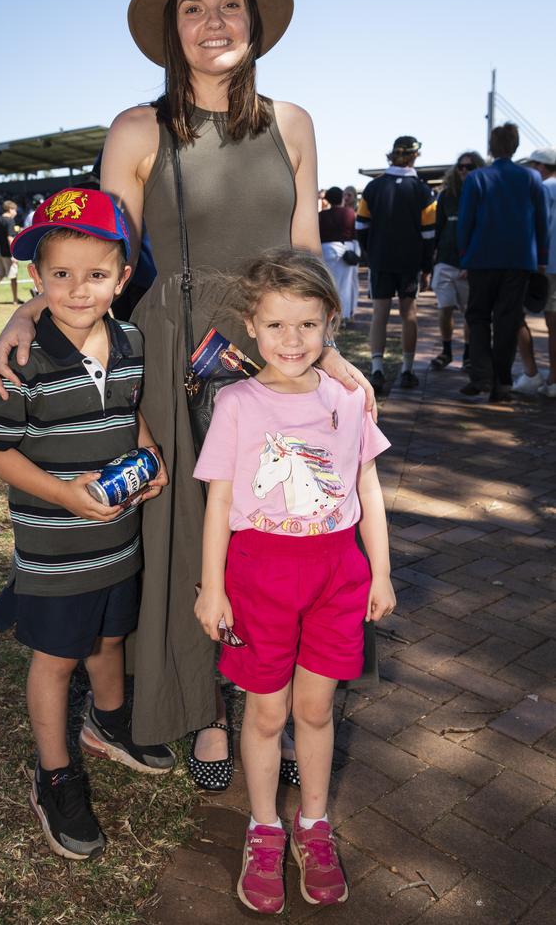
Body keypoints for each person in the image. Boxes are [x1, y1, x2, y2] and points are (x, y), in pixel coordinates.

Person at [0, 0, 374, 790]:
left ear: (255, 20)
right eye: (192, 8)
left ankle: (270, 677)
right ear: (171, 29)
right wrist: (26, 310)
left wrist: (330, 353)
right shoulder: (136, 128)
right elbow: (97, 250)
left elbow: (304, 248)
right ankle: (201, 715)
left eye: (229, 3)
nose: (213, 22)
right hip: (179, 354)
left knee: (277, 521)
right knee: (192, 527)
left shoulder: (294, 124)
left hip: (279, 349)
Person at [0, 190, 171, 861]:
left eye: (95, 274)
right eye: (60, 273)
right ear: (36, 279)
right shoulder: (21, 360)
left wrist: (149, 453)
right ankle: (54, 774)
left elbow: (128, 406)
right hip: (55, 549)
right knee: (56, 660)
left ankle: (108, 726)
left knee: (111, 638)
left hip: (117, 540)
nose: (77, 289)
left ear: (121, 278)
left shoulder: (133, 342)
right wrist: (62, 492)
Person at [194, 251, 394, 913]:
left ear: (331, 322)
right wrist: (211, 586)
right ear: (251, 326)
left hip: (338, 572)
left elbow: (367, 484)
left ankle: (313, 824)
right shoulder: (236, 402)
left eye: (308, 324)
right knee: (267, 710)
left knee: (314, 709)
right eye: (276, 325)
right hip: (259, 575)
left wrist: (381, 571)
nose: (292, 340)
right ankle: (263, 828)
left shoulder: (348, 397)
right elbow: (220, 502)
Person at [458, 123, 548, 402]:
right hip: (519, 260)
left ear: (491, 147)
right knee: (508, 320)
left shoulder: (477, 178)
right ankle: (502, 383)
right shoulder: (532, 178)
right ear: (516, 146)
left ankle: (481, 376)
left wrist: (464, 257)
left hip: (482, 259)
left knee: (478, 316)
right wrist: (541, 259)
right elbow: (541, 222)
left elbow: (465, 223)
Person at [356, 136, 436, 394]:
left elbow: (361, 227)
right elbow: (429, 235)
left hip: (381, 257)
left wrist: (371, 252)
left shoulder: (374, 187)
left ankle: (377, 368)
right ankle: (407, 370)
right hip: (410, 260)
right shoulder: (424, 191)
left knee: (380, 313)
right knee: (408, 313)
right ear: (415, 157)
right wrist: (426, 266)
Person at [430, 152, 485, 371]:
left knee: (469, 312)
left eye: (469, 167)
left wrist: (472, 262)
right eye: (461, 167)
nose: (464, 170)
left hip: (470, 264)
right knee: (445, 308)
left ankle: (469, 355)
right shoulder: (446, 195)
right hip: (445, 260)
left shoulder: (482, 194)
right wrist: (432, 260)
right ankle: (446, 351)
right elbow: (438, 228)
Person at [512, 147, 556, 396]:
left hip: (541, 265)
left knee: (517, 316)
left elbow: (535, 225)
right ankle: (553, 380)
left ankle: (531, 373)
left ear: (541, 166)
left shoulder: (543, 188)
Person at [318, 185, 359, 323]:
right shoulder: (349, 213)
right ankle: (344, 316)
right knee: (345, 286)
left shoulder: (321, 215)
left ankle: (329, 314)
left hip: (326, 249)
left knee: (329, 283)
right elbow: (354, 233)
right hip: (345, 248)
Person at [0, 200, 21, 305]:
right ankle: (15, 299)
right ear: (10, 209)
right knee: (13, 276)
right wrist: (14, 254)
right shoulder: (10, 221)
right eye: (15, 210)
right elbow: (10, 238)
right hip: (7, 252)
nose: (16, 212)